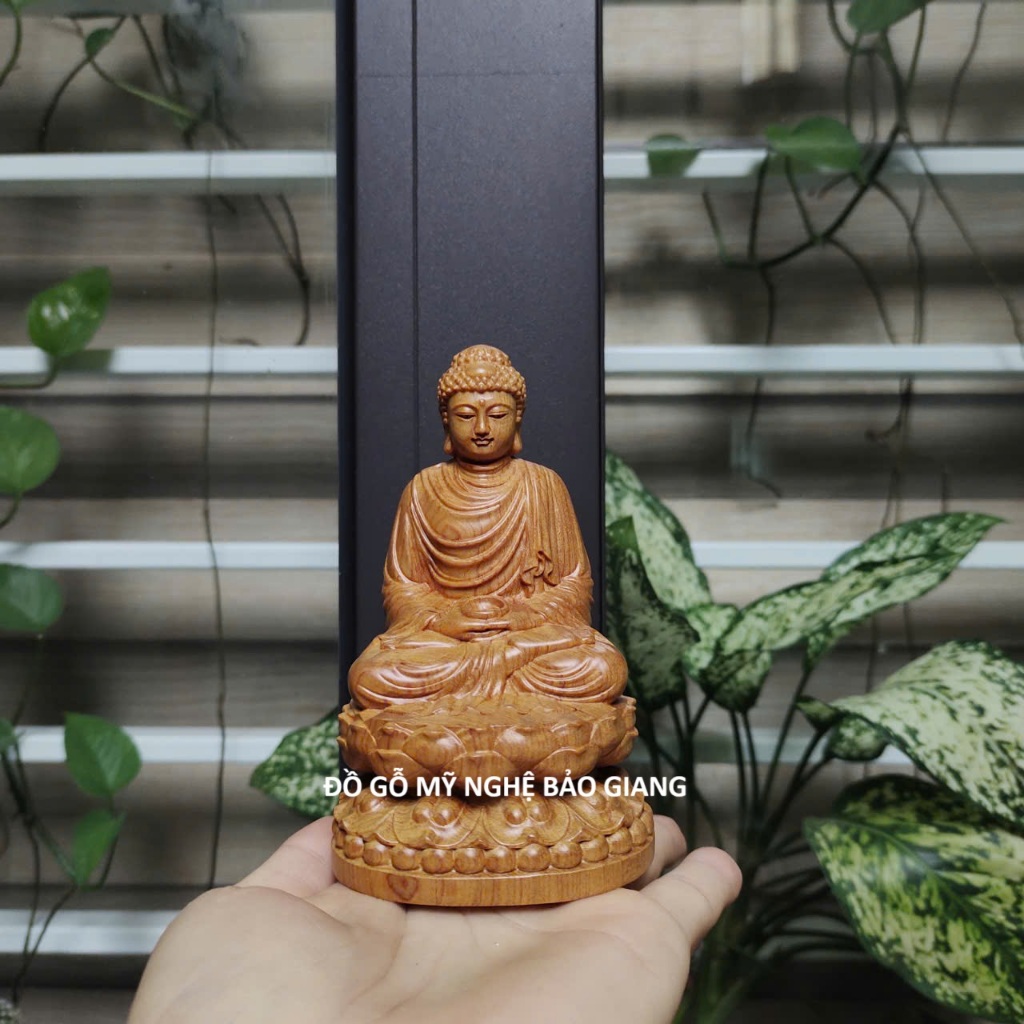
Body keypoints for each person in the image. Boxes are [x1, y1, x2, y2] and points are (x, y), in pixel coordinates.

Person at [129, 815, 741, 1023]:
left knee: (587, 666)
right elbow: (407, 598)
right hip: (436, 681)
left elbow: (564, 594)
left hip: (535, 683)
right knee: (390, 672)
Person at [348, 345, 628, 710]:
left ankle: (481, 685)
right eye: (465, 416)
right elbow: (402, 588)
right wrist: (442, 619)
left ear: (518, 418)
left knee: (602, 669)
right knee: (370, 676)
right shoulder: (422, 489)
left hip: (527, 639)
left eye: (497, 415)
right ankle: (498, 683)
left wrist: (528, 615)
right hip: (448, 644)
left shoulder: (544, 485)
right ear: (445, 420)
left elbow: (575, 583)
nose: (482, 429)